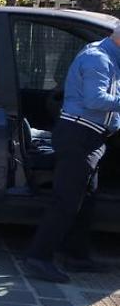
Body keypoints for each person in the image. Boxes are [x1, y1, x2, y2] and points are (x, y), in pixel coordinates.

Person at [24, 21, 120, 283]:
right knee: (66, 201)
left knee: (85, 200)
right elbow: (95, 100)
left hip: (93, 137)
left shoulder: (112, 57)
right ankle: (38, 258)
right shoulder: (98, 59)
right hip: (80, 135)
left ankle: (75, 256)